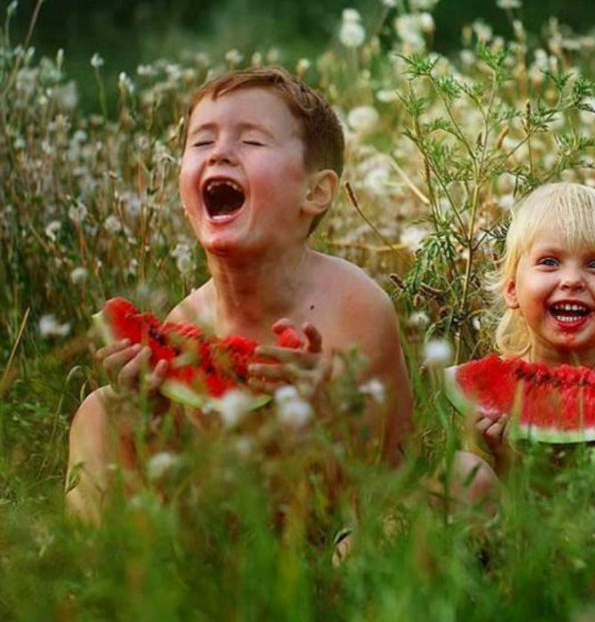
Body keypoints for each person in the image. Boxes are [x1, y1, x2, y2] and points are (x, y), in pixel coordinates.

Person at [66, 67, 413, 525]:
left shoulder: (356, 309)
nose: (220, 154)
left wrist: (324, 414)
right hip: (228, 531)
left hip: (343, 532)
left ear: (315, 191)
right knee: (100, 412)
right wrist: (148, 413)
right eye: (202, 142)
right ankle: (101, 579)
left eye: (251, 141)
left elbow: (373, 483)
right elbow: (197, 476)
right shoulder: (187, 317)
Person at [448, 182, 595, 511]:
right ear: (513, 290)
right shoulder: (496, 391)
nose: (572, 280)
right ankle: (482, 558)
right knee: (464, 468)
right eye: (549, 262)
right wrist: (496, 450)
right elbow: (513, 491)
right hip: (524, 531)